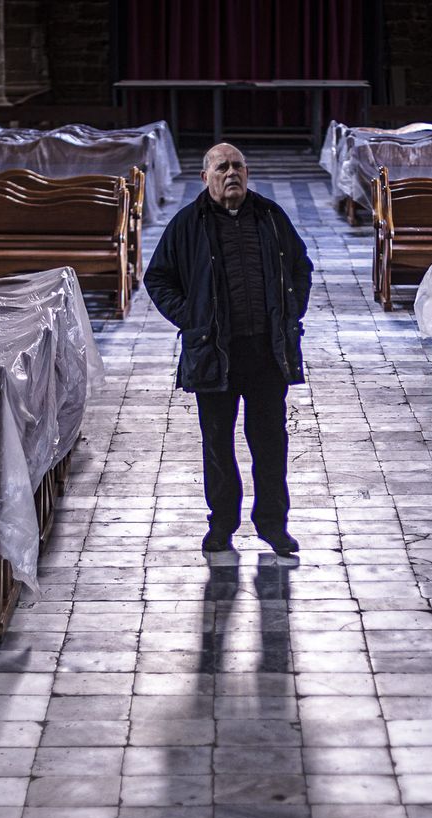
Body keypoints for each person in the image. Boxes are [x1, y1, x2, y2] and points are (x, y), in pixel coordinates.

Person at [145, 143, 313, 556]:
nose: (231, 173)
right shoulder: (188, 224)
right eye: (222, 167)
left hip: (266, 353)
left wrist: (291, 311)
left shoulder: (271, 217)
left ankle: (273, 525)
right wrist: (192, 318)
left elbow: (300, 267)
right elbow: (158, 278)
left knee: (270, 442)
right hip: (214, 354)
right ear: (206, 178)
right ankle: (221, 525)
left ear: (248, 172)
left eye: (238, 165)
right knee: (218, 443)